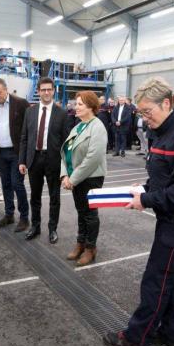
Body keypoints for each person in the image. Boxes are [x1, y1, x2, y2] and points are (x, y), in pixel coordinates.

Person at [102, 77, 174, 346]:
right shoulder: (163, 132)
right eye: (141, 113)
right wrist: (145, 189)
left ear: (168, 104)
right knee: (172, 279)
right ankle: (173, 335)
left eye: (148, 112)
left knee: (156, 280)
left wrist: (146, 199)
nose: (145, 118)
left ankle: (136, 337)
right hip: (173, 218)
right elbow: (167, 178)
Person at [19, 77, 70, 244]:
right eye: (43, 90)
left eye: (49, 89)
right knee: (35, 196)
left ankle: (52, 229)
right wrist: (22, 161)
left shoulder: (61, 113)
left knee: (55, 197)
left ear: (53, 91)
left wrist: (66, 167)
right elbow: (24, 138)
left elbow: (66, 142)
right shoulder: (30, 112)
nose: (46, 92)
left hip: (53, 160)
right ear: (39, 91)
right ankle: (35, 226)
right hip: (34, 159)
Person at [60, 91, 108, 266]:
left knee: (90, 214)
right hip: (75, 177)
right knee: (81, 212)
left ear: (91, 107)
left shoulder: (98, 127)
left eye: (80, 104)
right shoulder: (77, 127)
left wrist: (73, 178)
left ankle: (90, 248)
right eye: (76, 103)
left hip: (91, 178)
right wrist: (65, 174)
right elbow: (66, 152)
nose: (76, 107)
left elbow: (93, 158)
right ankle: (81, 243)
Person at [0, 77, 30, 232]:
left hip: (17, 153)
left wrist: (25, 156)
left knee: (17, 184)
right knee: (5, 185)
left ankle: (24, 218)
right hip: (1, 153)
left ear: (6, 89)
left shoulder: (21, 104)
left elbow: (29, 129)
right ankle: (9, 214)